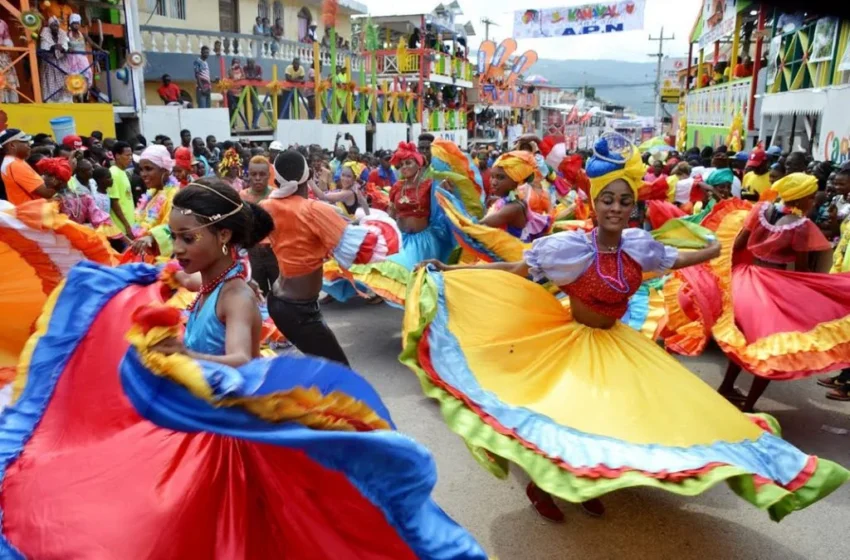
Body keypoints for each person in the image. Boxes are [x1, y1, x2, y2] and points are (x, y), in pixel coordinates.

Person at [404, 135, 849, 524]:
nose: (616, 208)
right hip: (571, 340)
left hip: (617, 343)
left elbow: (677, 258)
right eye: (607, 200)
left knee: (626, 417)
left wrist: (714, 246)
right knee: (566, 419)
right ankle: (545, 485)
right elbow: (521, 268)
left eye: (624, 201)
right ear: (594, 203)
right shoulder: (569, 247)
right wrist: (452, 271)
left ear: (632, 205)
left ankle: (589, 485)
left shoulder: (640, 247)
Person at [681, 173, 850, 412]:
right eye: (811, 198)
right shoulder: (801, 226)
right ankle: (749, 406)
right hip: (774, 286)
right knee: (772, 349)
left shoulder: (760, 209)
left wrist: (723, 275)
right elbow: (801, 268)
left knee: (744, 341)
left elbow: (738, 245)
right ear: (801, 200)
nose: (813, 202)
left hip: (747, 279)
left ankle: (727, 388)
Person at [261, 150, 396, 363]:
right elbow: (365, 248)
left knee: (321, 366)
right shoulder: (313, 210)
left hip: (279, 302)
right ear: (307, 178)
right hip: (299, 310)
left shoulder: (267, 206)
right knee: (339, 372)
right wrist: (382, 226)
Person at [478, 151, 551, 242]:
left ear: (516, 182)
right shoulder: (514, 199)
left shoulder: (513, 208)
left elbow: (479, 225)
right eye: (492, 176)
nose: (493, 182)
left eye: (501, 178)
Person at [128, 145, 178, 263]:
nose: (143, 174)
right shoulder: (152, 193)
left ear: (165, 170)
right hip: (146, 258)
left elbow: (174, 227)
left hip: (163, 262)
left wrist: (152, 236)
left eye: (148, 169)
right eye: (141, 169)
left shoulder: (175, 195)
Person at [240, 156, 278, 296]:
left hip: (275, 252)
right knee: (257, 294)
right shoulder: (242, 197)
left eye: (262, 174)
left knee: (279, 293)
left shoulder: (277, 195)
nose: (257, 178)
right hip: (253, 254)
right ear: (248, 174)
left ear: (268, 175)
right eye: (253, 174)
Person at [1, 129, 55, 204]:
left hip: (27, 212)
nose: (29, 145)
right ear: (12, 145)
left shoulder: (10, 161)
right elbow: (47, 193)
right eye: (25, 141)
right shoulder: (16, 165)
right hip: (33, 213)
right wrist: (65, 173)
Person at [39, 17, 72, 103]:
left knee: (65, 82)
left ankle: (65, 101)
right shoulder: (45, 34)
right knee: (50, 83)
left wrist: (63, 49)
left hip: (62, 63)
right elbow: (44, 48)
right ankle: (50, 101)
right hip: (50, 64)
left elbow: (66, 46)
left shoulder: (62, 34)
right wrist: (52, 48)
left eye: (57, 25)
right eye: (53, 25)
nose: (55, 27)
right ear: (50, 26)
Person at [108, 141, 137, 237]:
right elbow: (114, 202)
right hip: (121, 228)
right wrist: (126, 225)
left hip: (130, 224)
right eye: (127, 155)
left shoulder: (123, 172)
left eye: (131, 155)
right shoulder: (113, 173)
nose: (130, 158)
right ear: (117, 156)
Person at [66, 13, 96, 96]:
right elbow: (64, 45)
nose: (76, 25)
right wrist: (68, 49)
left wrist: (102, 50)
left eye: (77, 23)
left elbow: (92, 43)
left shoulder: (83, 35)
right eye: (74, 23)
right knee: (73, 77)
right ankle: (75, 96)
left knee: (87, 73)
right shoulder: (67, 34)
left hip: (82, 58)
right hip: (72, 59)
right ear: (70, 24)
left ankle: (85, 94)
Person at [0, 19, 21, 103]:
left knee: (9, 81)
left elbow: (7, 39)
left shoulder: (2, 22)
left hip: (3, 56)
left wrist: (5, 46)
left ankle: (12, 104)